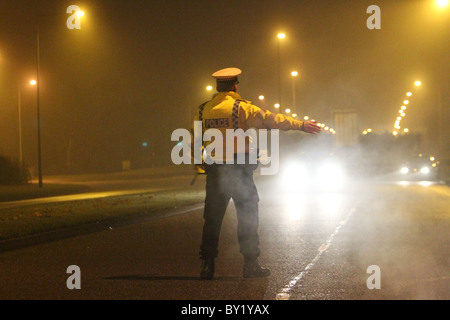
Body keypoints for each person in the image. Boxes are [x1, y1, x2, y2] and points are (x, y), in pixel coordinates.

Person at [193, 67, 321, 280]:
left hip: (215, 172)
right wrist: (301, 125)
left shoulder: (202, 110)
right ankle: (250, 265)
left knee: (212, 220)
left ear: (217, 87)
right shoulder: (241, 108)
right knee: (248, 217)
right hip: (240, 171)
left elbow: (197, 142)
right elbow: (272, 119)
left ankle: (207, 265)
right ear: (235, 85)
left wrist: (202, 165)